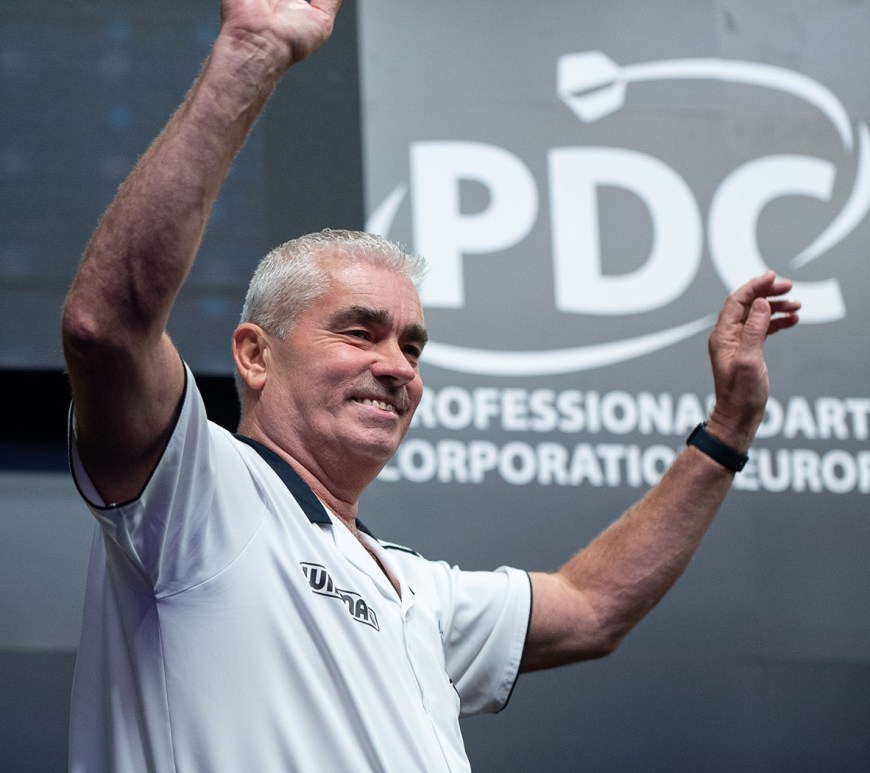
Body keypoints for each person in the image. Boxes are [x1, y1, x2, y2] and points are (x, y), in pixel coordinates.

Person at [61, 1, 800, 771]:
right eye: (360, 331)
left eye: (412, 345)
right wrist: (250, 52)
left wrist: (728, 429)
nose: (398, 366)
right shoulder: (199, 496)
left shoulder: (418, 589)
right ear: (254, 354)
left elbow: (591, 607)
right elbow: (104, 329)